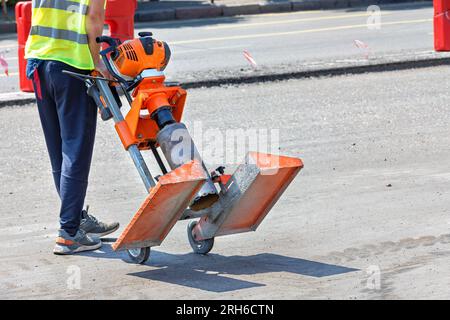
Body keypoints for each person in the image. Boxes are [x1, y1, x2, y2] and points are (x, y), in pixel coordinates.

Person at [24, 0, 119, 255]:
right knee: (75, 148)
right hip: (72, 67)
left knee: (59, 149)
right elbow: (94, 18)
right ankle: (68, 232)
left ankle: (75, 218)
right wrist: (97, 62)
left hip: (39, 63)